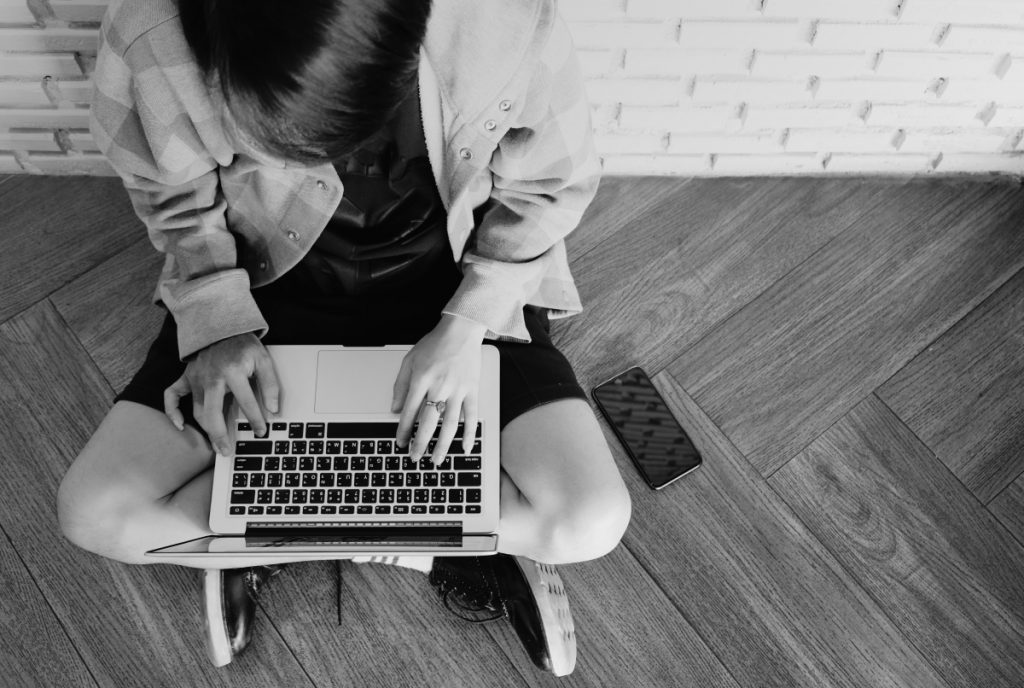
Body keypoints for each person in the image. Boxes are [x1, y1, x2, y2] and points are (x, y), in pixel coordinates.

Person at [57, 0, 631, 676]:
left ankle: (254, 536)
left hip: (453, 282)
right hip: (264, 285)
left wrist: (467, 326)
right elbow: (170, 195)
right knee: (93, 512)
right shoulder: (149, 31)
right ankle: (439, 546)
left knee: (591, 519)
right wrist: (217, 322)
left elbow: (551, 187)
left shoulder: (505, 16)